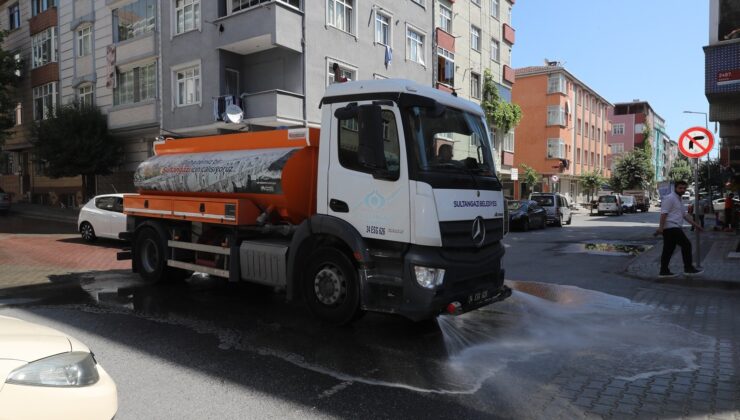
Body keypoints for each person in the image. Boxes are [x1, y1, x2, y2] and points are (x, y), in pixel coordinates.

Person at [655, 180, 704, 278]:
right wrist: (661, 228)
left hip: (673, 227)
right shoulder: (670, 198)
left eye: (684, 188)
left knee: (668, 250)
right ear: (675, 188)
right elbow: (663, 214)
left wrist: (696, 225)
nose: (682, 190)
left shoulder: (679, 200)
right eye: (680, 188)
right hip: (671, 227)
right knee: (686, 245)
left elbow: (684, 215)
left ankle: (664, 271)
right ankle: (688, 268)